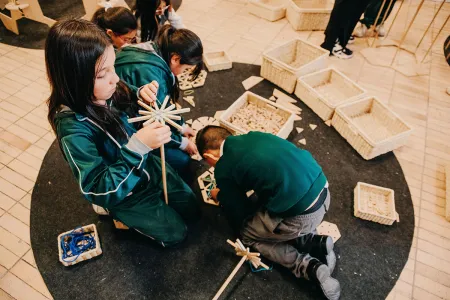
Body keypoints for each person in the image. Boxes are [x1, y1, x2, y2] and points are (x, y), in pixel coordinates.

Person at [46, 19, 198, 247]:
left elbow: (128, 96)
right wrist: (138, 147)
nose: (115, 78)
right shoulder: (73, 130)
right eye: (102, 74)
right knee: (177, 234)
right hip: (124, 192)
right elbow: (98, 189)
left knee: (191, 207)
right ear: (72, 77)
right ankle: (116, 213)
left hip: (146, 163)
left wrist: (142, 95)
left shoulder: (110, 87)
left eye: (113, 67)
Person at [195, 126, 340, 300]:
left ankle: (308, 266)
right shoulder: (254, 135)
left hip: (301, 215)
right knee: (270, 209)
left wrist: (223, 195)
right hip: (323, 191)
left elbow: (238, 212)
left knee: (248, 234)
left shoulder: (223, 167)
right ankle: (313, 242)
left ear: (208, 156)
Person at [115, 24, 203, 179]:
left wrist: (181, 126)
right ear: (175, 58)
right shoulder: (153, 77)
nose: (184, 73)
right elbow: (156, 118)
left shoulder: (154, 49)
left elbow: (164, 103)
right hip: (123, 125)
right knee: (181, 160)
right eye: (187, 69)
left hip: (128, 106)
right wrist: (182, 143)